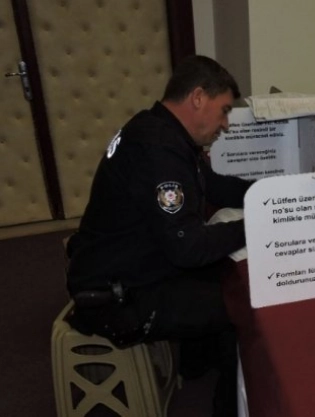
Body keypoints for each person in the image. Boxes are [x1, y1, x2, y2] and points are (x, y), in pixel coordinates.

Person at [65, 55, 250, 417]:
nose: (226, 125)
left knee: (224, 273)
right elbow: (189, 248)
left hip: (123, 263)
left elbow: (213, 186)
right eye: (224, 111)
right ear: (198, 97)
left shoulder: (159, 130)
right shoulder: (158, 150)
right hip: (115, 297)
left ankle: (196, 363)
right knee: (240, 302)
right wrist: (255, 225)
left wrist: (271, 195)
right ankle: (226, 406)